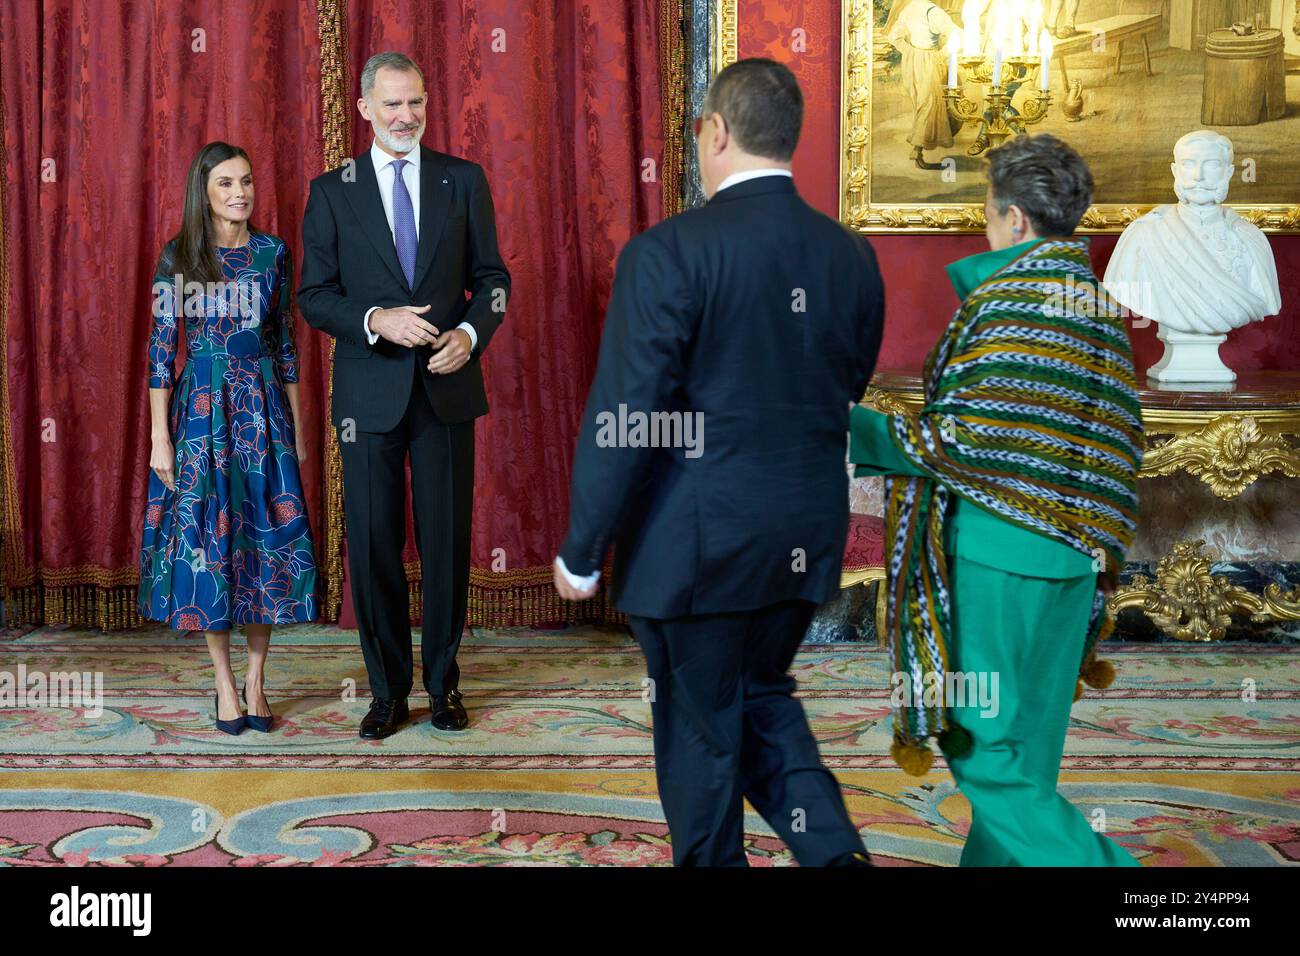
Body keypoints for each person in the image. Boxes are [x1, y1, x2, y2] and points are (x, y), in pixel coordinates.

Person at [553, 58, 885, 867]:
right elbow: (847, 383)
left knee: (702, 736)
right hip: (804, 531)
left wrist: (582, 548)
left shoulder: (668, 252)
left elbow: (627, 416)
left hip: (696, 543)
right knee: (762, 702)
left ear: (715, 132)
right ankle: (838, 859)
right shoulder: (850, 256)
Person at [850, 132, 1143, 866]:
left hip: (999, 554)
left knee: (980, 747)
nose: (985, 223)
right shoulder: (1098, 303)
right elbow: (1115, 438)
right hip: (1076, 561)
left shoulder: (1010, 300)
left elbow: (957, 442)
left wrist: (835, 418)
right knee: (1028, 753)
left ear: (1014, 219)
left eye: (986, 209)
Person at [299, 51, 510, 738]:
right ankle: (387, 693)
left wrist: (471, 336)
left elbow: (494, 281)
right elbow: (313, 297)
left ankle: (444, 686)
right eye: (391, 104)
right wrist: (373, 320)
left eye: (415, 102)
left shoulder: (463, 180)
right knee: (373, 544)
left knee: (447, 546)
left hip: (448, 392)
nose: (405, 116)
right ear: (364, 109)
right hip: (368, 396)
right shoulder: (333, 190)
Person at [140, 141, 318, 736]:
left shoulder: (272, 253)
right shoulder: (179, 257)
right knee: (210, 542)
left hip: (263, 409)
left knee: (266, 536)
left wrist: (296, 427)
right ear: (205, 191)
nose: (240, 192)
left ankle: (257, 678)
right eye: (225, 183)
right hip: (200, 415)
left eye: (246, 181)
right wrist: (160, 439)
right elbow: (162, 354)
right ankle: (222, 681)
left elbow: (285, 344)